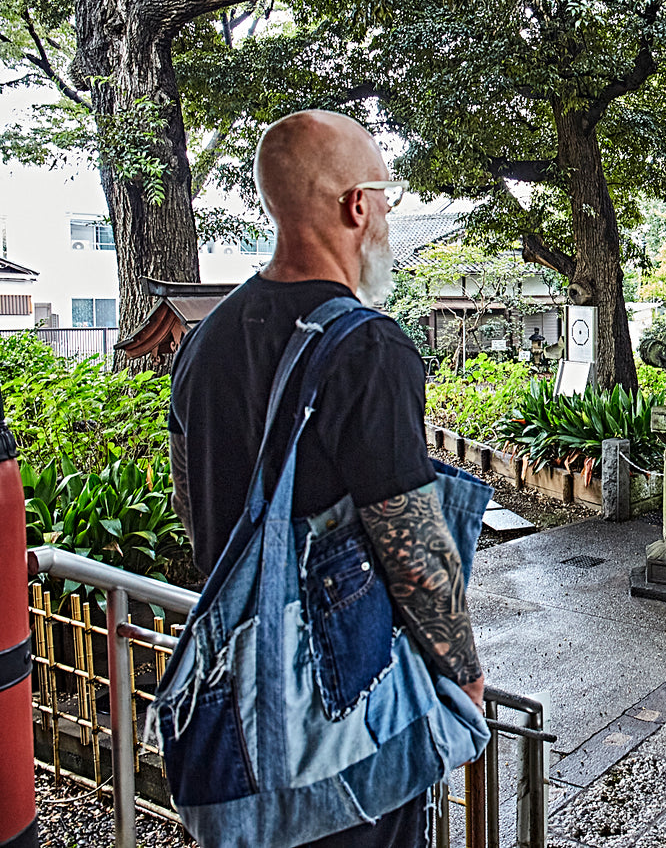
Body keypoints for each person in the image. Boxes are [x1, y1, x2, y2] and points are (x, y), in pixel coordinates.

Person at [168, 110, 485, 848]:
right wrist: (463, 674)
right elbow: (414, 551)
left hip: (244, 716)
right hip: (343, 723)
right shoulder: (368, 348)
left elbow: (196, 510)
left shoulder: (205, 340)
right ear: (356, 205)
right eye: (384, 196)